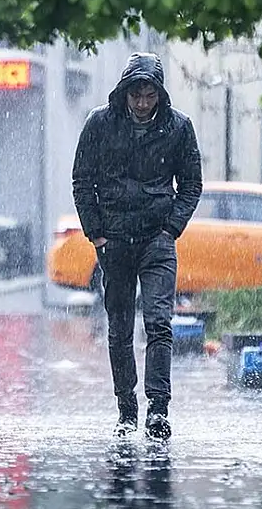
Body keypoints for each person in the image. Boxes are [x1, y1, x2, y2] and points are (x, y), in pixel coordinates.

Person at [71, 52, 203, 440]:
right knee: (120, 326)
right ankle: (126, 410)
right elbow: (82, 181)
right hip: (114, 241)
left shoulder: (179, 128)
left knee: (159, 323)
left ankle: (158, 409)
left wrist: (171, 229)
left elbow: (191, 184)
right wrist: (96, 233)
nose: (142, 103)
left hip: (157, 239)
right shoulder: (100, 123)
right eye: (136, 95)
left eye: (149, 96)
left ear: (159, 95)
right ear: (125, 93)